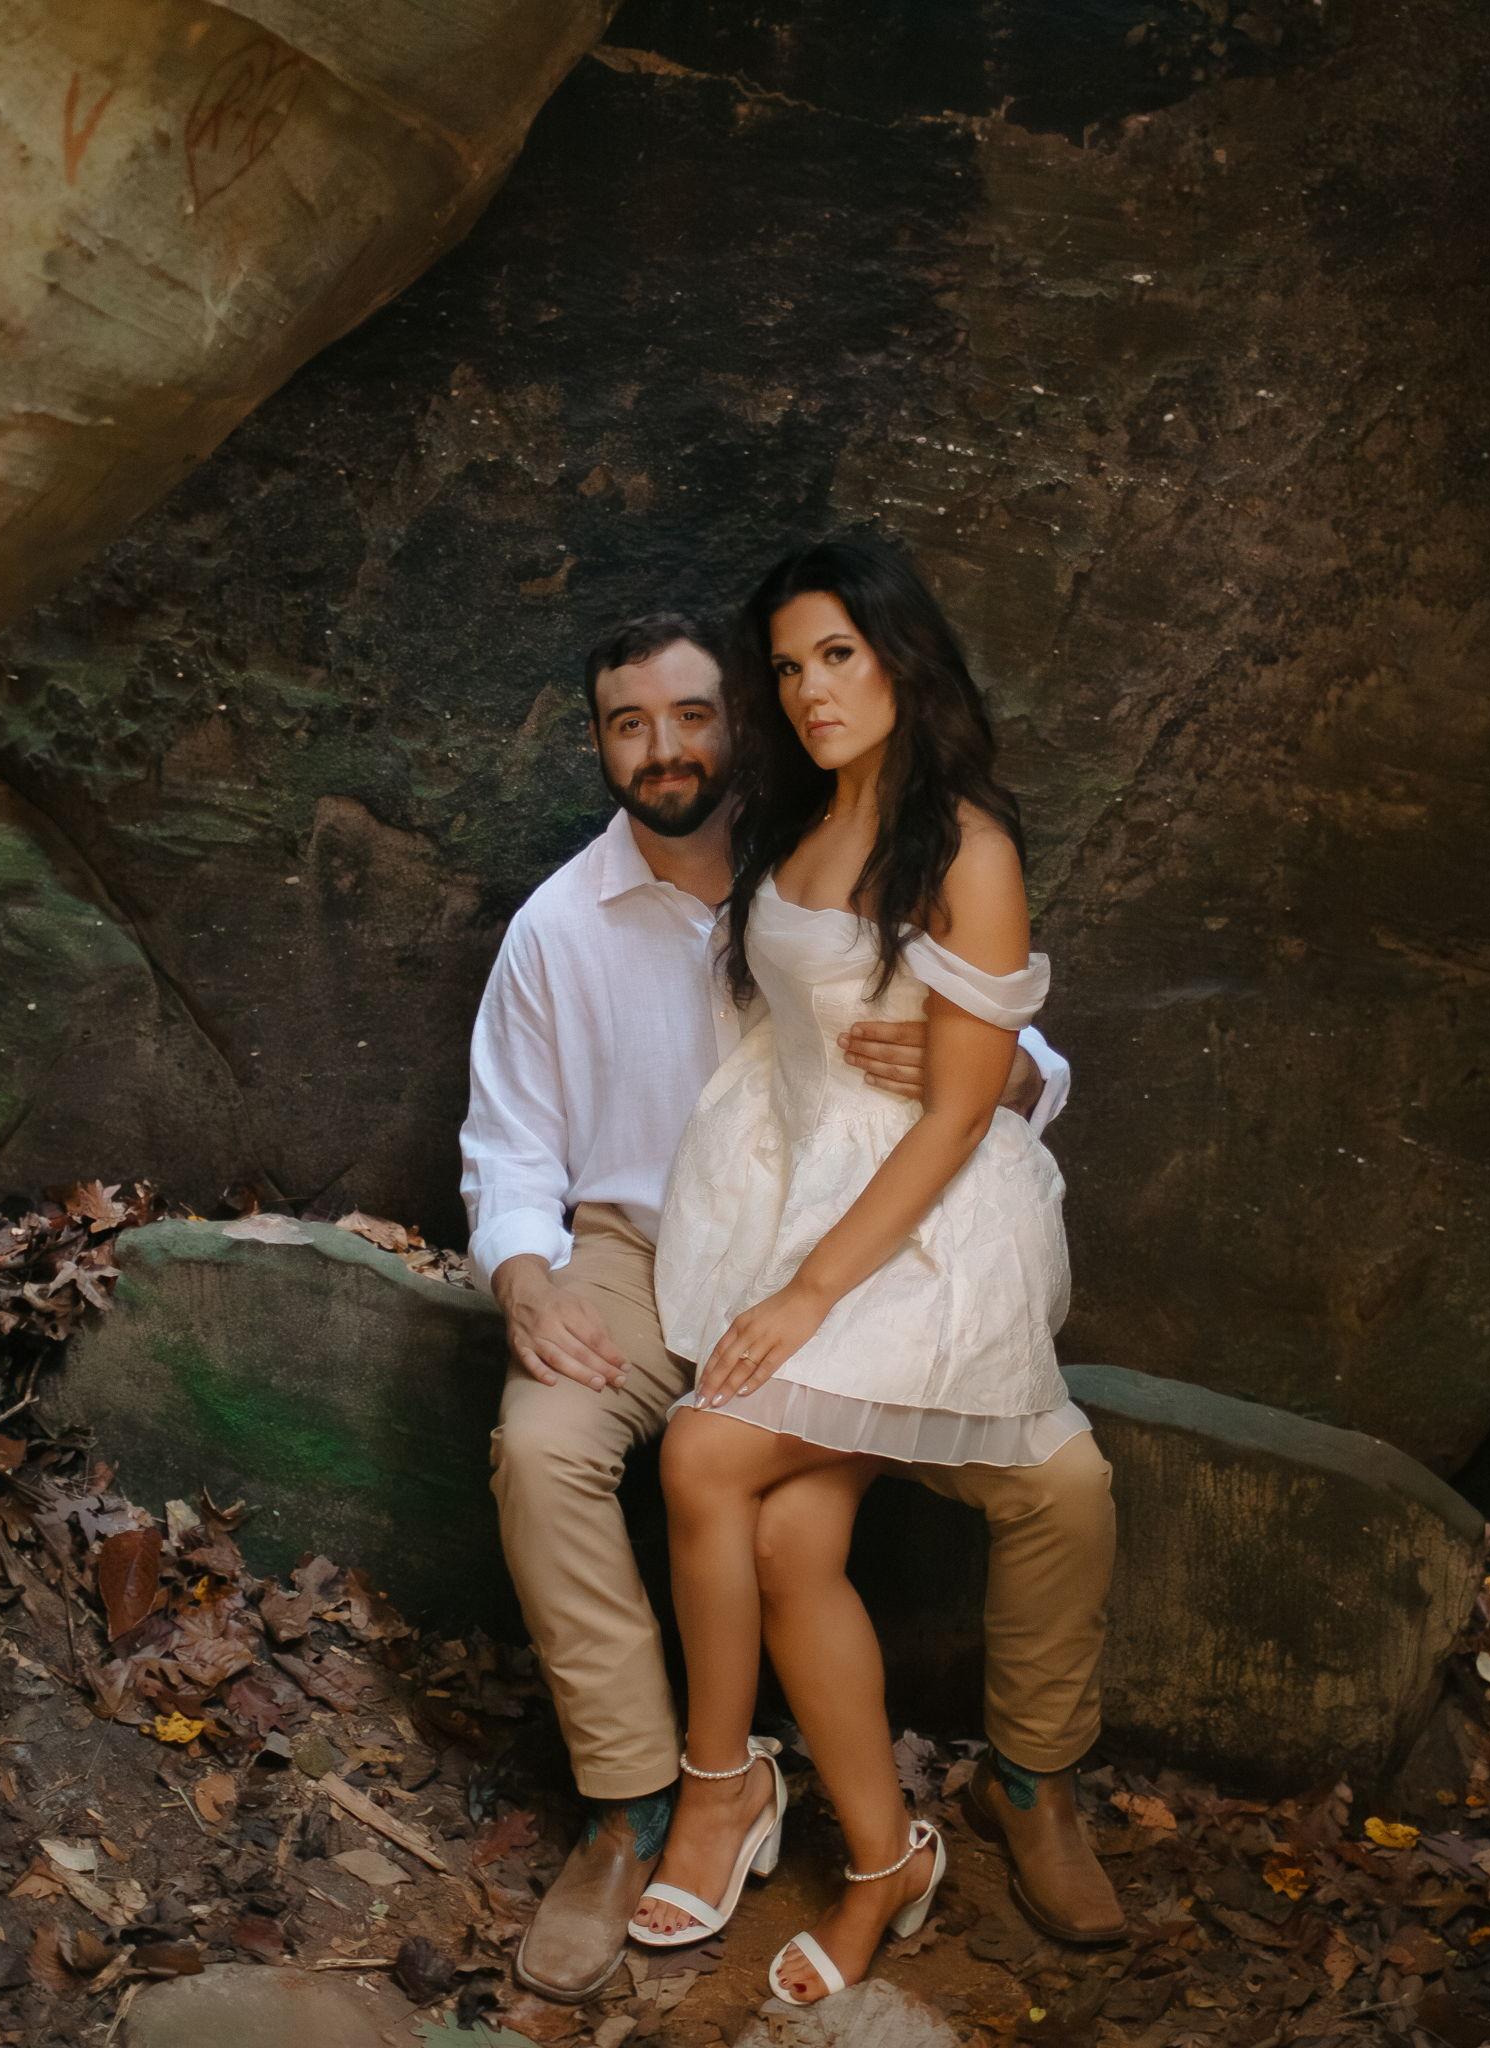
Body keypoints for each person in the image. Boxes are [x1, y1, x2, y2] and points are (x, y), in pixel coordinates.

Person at [459, 603, 1122, 2006]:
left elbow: (999, 1040)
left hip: (853, 1249)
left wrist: (1005, 1076)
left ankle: (1033, 1776)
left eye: (694, 713)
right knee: (543, 1445)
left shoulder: (838, 839)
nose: (664, 747)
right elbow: (508, 1149)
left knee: (1067, 1487)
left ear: (739, 722)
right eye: (628, 724)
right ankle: (639, 1803)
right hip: (643, 1251)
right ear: (598, 746)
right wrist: (524, 1272)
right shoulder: (556, 930)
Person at [632, 537, 1111, 2005]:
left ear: (902, 656)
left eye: (837, 655)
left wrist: (808, 1292)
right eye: (788, 666)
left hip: (924, 1229)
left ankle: (720, 1789)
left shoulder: (966, 846)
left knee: (703, 1455)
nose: (811, 690)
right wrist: (767, 1240)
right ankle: (885, 1856)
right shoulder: (793, 817)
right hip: (796, 1197)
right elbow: (790, 1031)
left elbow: (960, 1115)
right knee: (789, 1541)